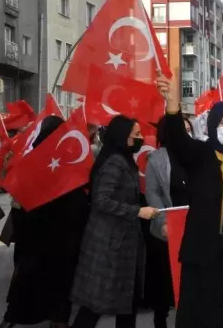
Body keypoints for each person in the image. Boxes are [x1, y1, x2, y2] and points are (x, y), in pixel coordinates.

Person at [156, 75, 223, 328]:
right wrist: (173, 108)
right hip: (206, 253)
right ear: (214, 125)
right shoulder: (201, 155)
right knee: (201, 317)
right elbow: (177, 142)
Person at [0, 116, 89, 328]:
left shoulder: (31, 159)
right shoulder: (68, 161)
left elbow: (16, 195)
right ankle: (57, 318)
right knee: (60, 277)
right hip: (63, 237)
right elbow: (78, 201)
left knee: (28, 275)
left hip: (34, 235)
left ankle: (14, 316)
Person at [71, 115, 159, 328]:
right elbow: (101, 200)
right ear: (122, 136)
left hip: (122, 244)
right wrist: (137, 211)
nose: (140, 139)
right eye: (136, 135)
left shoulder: (124, 159)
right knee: (95, 305)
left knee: (125, 304)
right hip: (109, 245)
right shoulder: (114, 162)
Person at [143, 115, 193, 328]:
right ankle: (160, 320)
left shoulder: (196, 155)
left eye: (189, 129)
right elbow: (152, 192)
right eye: (182, 129)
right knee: (164, 281)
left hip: (193, 227)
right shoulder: (157, 158)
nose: (186, 133)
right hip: (167, 229)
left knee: (191, 282)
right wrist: (163, 222)